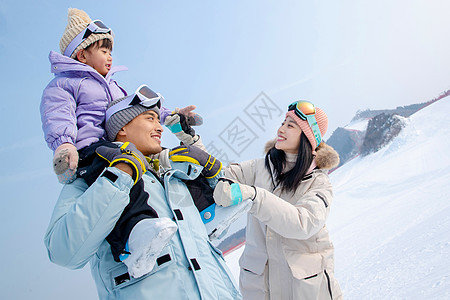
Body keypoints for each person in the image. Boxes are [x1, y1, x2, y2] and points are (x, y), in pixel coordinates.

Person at [44, 95, 242, 299]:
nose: (160, 128)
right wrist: (121, 173)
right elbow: (63, 252)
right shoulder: (92, 177)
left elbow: (212, 231)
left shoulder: (170, 174)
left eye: (159, 120)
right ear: (122, 128)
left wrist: (207, 172)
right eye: (150, 119)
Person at [213, 100, 343, 299]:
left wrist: (255, 196)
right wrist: (190, 140)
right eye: (283, 122)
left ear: (308, 137)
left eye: (290, 125)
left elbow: (303, 223)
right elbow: (218, 173)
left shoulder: (319, 183)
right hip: (259, 289)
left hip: (306, 291)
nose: (281, 129)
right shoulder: (261, 168)